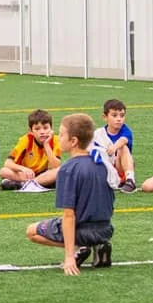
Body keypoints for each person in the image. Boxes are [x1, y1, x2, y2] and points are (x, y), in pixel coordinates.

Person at [26, 114, 115, 276]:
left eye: (61, 134)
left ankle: (81, 247)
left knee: (32, 231)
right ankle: (99, 244)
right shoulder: (102, 163)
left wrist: (68, 257)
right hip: (106, 229)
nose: (57, 138)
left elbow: (69, 216)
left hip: (82, 230)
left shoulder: (68, 170)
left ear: (73, 141)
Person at [0, 109, 62, 189]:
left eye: (45, 128)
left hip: (43, 174)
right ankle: (36, 184)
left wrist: (46, 144)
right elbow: (7, 163)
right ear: (31, 131)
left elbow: (56, 166)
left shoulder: (55, 140)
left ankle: (24, 184)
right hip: (25, 174)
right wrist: (23, 169)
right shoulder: (26, 140)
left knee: (59, 171)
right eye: (37, 129)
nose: (42, 132)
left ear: (51, 128)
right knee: (4, 171)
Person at [92, 99, 137, 193]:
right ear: (105, 117)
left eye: (122, 115)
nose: (119, 119)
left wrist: (114, 147)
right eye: (114, 115)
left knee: (123, 147)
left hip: (119, 168)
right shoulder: (98, 134)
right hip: (105, 170)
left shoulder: (125, 130)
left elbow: (123, 140)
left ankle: (130, 180)